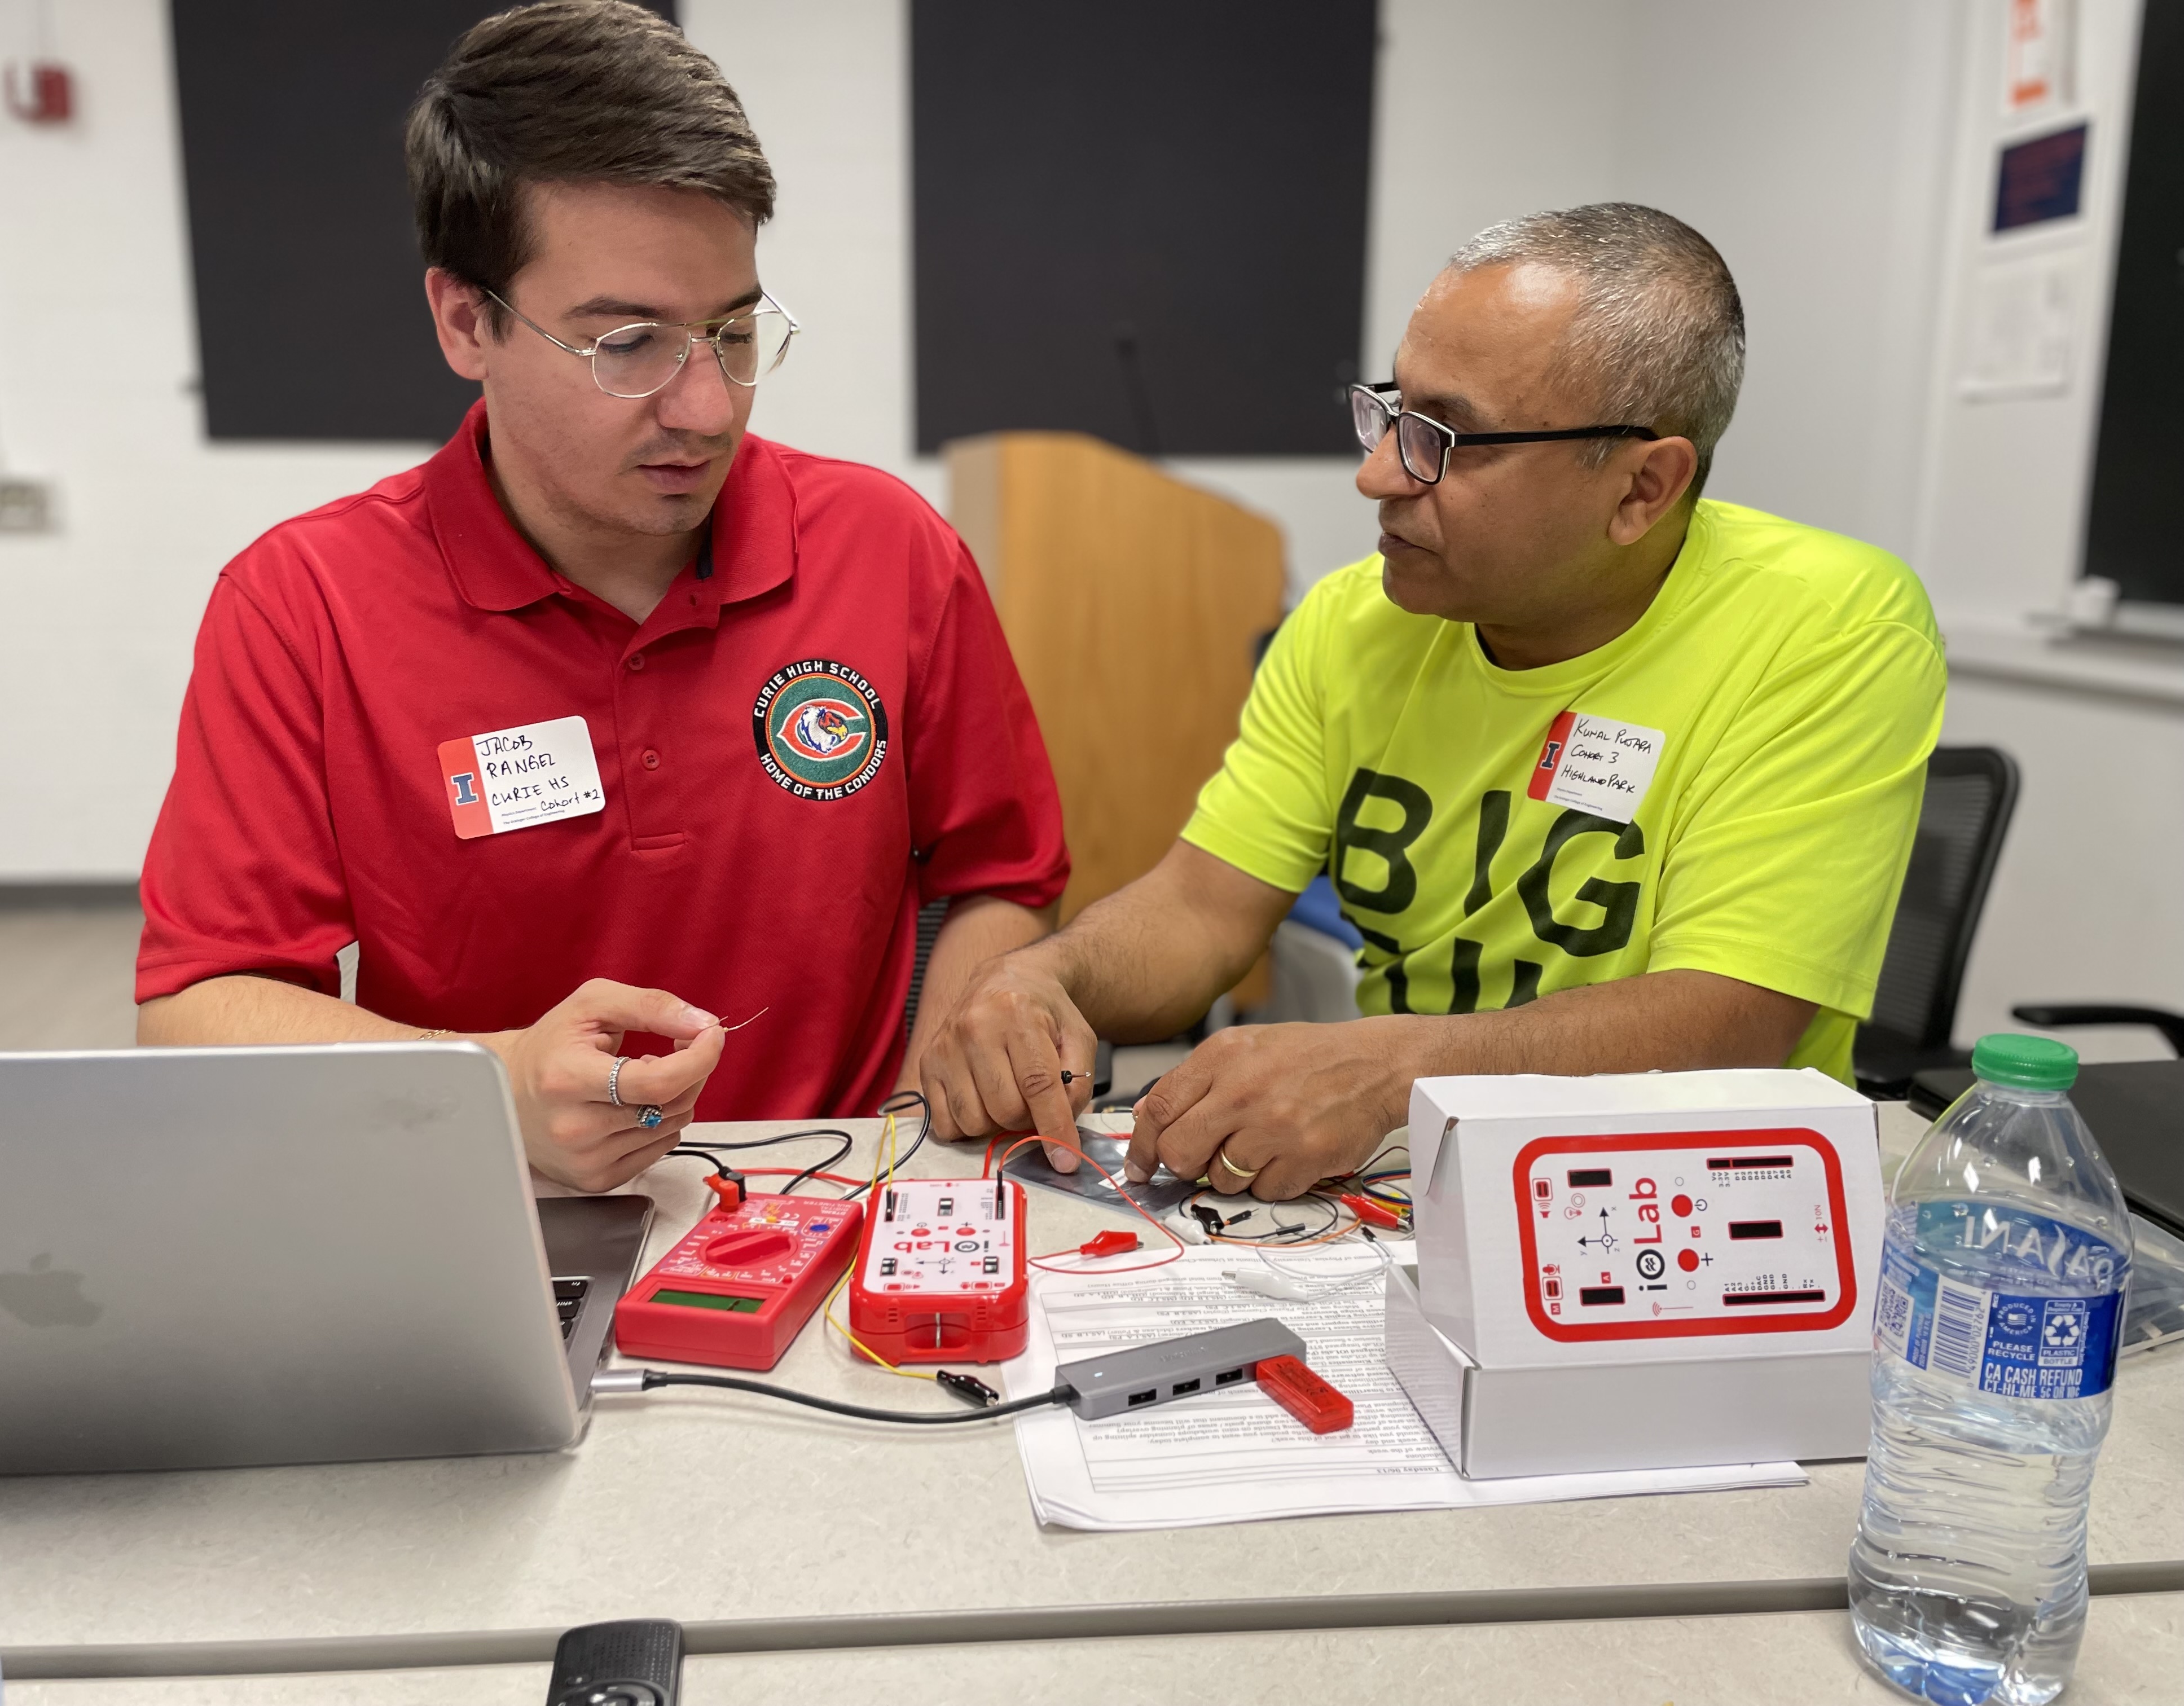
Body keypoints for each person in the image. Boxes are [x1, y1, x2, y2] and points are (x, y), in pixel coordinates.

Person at [135, 1, 1067, 1192]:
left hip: (839, 1192)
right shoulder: (304, 603)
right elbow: (196, 1006)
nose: (709, 408)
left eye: (732, 331)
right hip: (495, 1199)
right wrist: (489, 1086)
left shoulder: (889, 551)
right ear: (467, 320)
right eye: (629, 343)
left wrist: (943, 1052)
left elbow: (1000, 875)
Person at [922, 203, 1945, 1202]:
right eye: (1391, 412)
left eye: (1447, 441)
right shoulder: (1351, 620)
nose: (1377, 474)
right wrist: (1049, 977)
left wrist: (1393, 1071)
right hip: (1401, 1182)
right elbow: (1202, 907)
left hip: (1684, 1200)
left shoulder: (1832, 627)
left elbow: (1728, 1018)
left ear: (1641, 489)